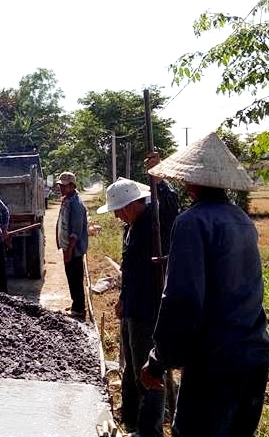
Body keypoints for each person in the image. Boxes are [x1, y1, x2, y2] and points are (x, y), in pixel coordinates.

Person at [140, 133, 269, 437]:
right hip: (254, 356)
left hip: (216, 360)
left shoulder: (192, 222)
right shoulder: (241, 220)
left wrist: (157, 361)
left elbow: (183, 301)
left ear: (192, 182)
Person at [97, 177, 176, 437]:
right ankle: (130, 414)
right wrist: (123, 298)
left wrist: (161, 182)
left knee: (148, 369)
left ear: (133, 204)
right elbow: (129, 269)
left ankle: (149, 427)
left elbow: (170, 209)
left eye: (119, 209)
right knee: (130, 364)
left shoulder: (154, 223)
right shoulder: (131, 228)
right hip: (133, 305)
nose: (118, 215)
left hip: (149, 308)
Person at [55, 171, 89, 319]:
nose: (61, 188)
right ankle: (76, 304)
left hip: (74, 249)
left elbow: (75, 231)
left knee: (75, 278)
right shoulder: (67, 200)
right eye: (60, 186)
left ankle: (79, 309)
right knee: (71, 277)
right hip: (69, 248)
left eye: (64, 186)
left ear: (72, 186)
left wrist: (69, 250)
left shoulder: (76, 204)